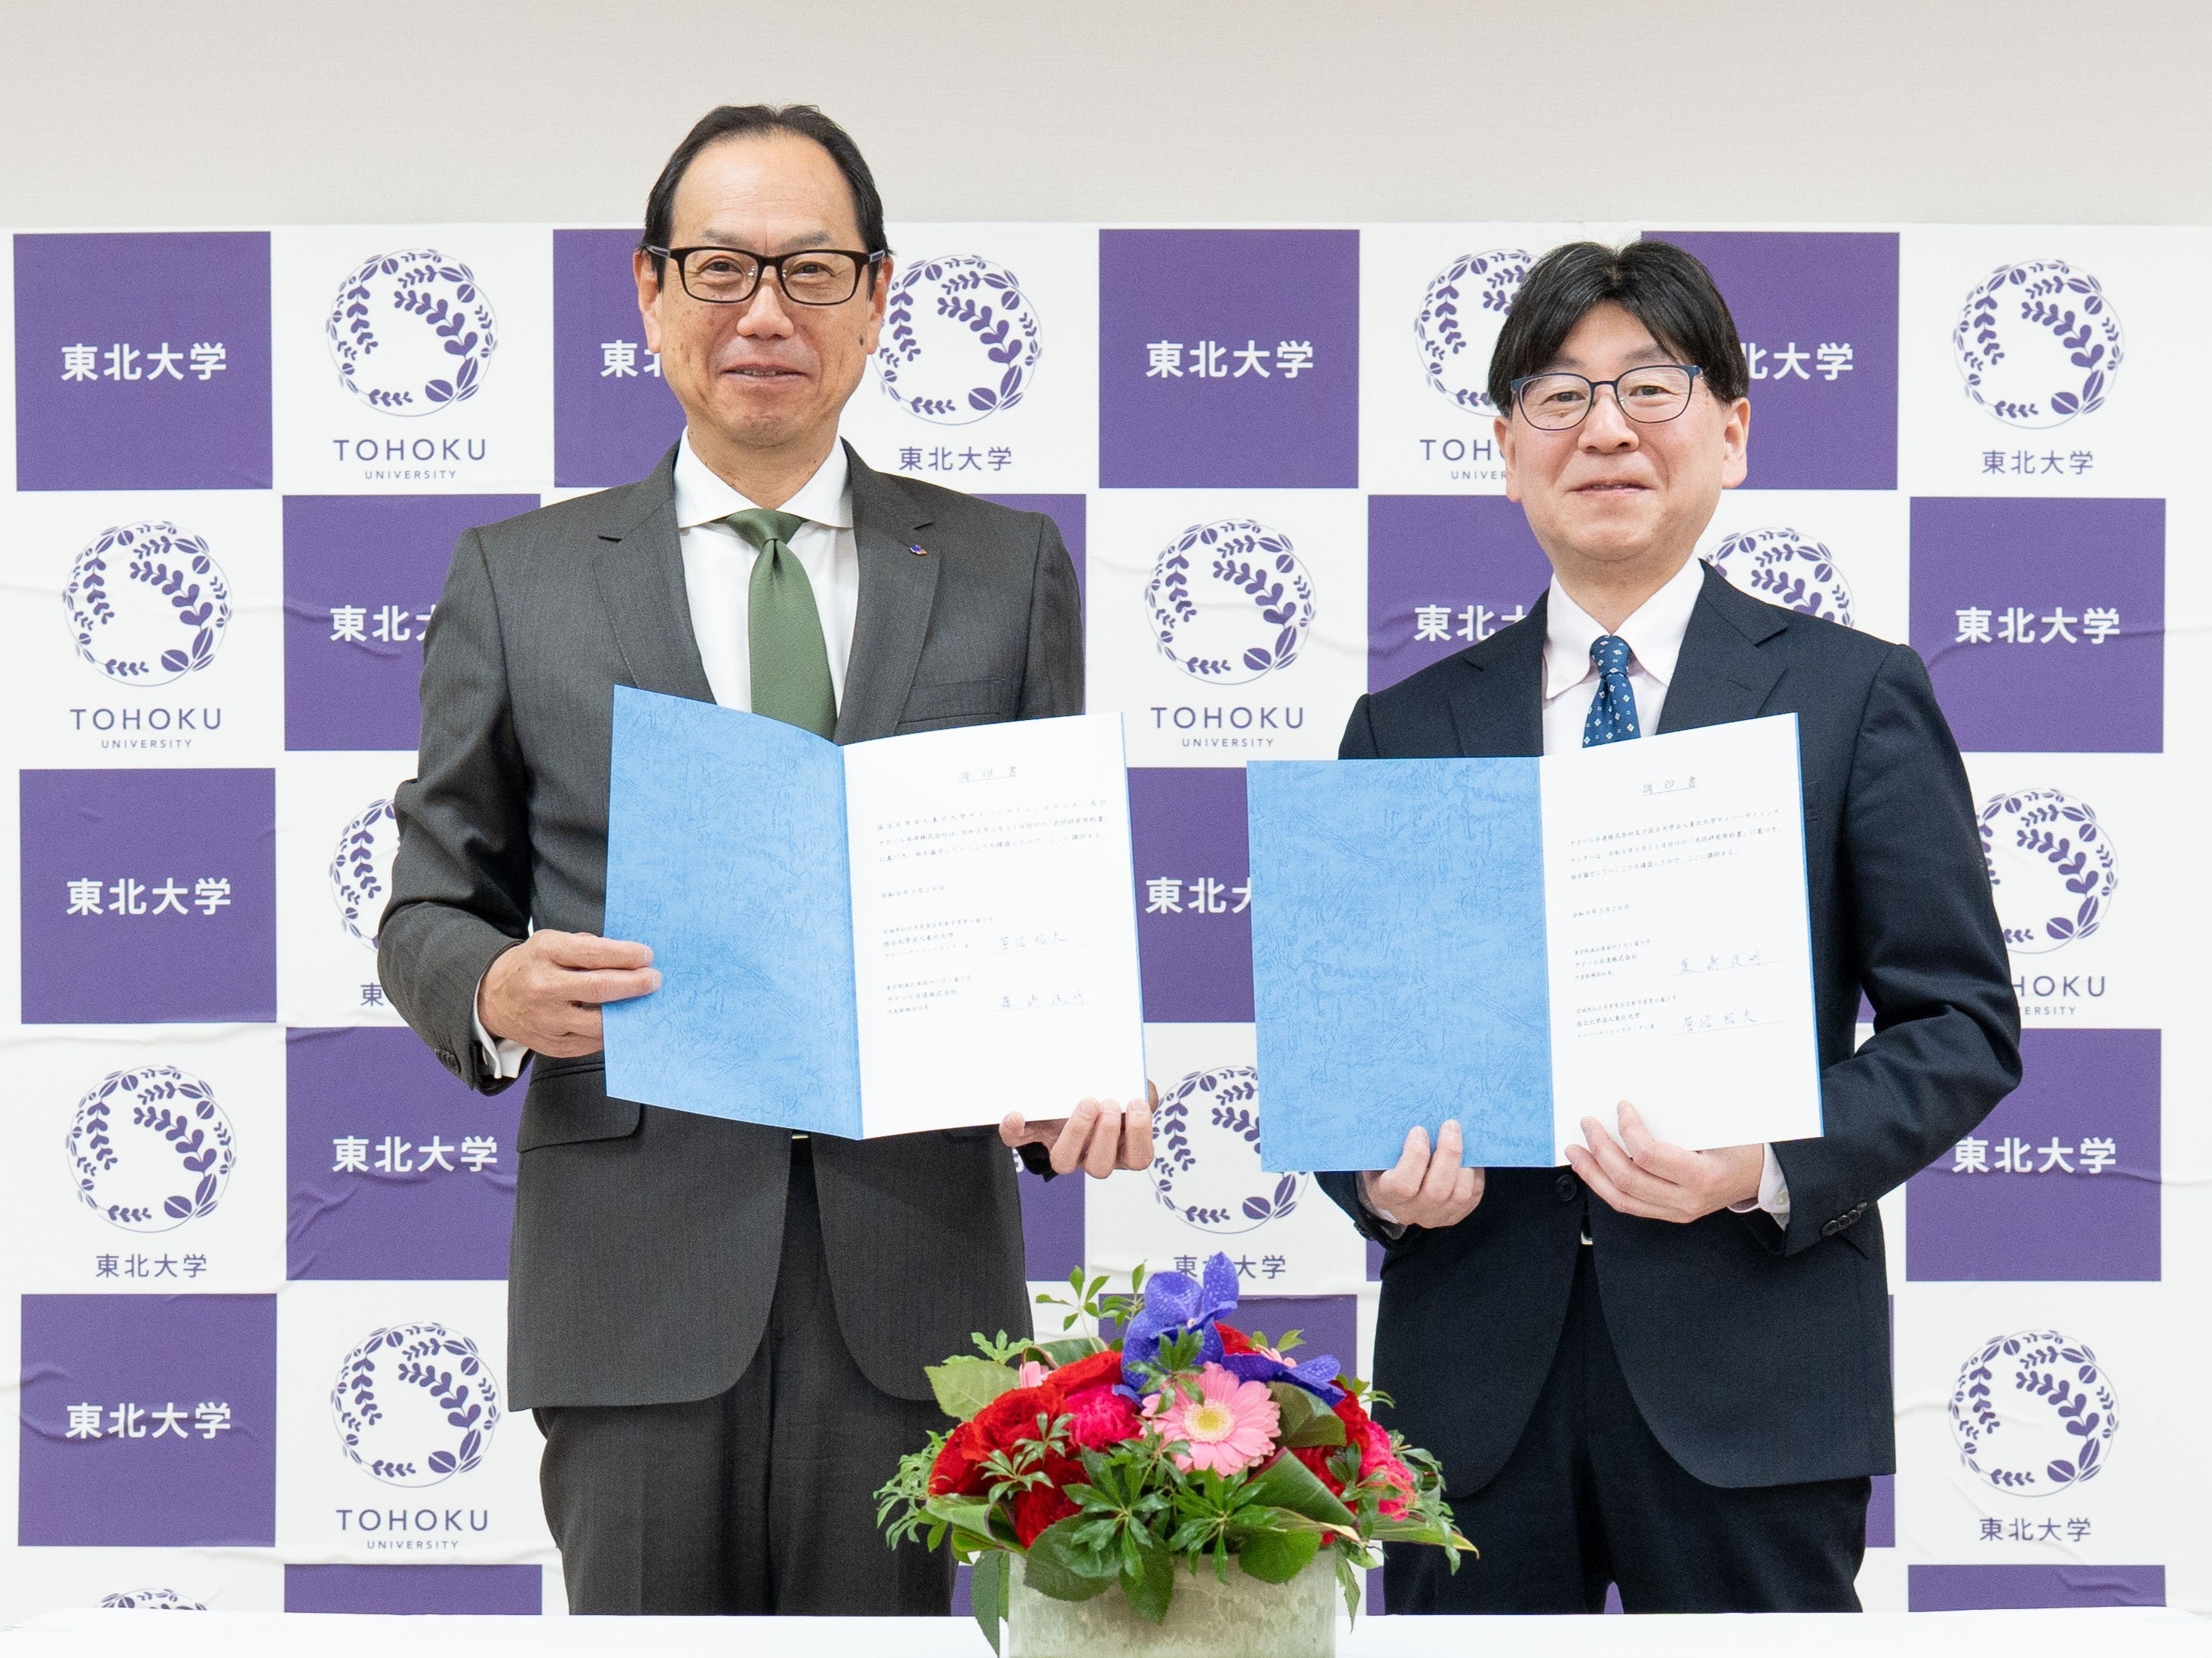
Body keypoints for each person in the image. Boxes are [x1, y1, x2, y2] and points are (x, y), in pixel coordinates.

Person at [378, 103, 1149, 1617]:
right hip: (635, 1278)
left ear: (876, 297)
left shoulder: (1004, 570)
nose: (766, 313)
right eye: (721, 268)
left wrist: (1070, 1071)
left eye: (811, 270)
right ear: (651, 290)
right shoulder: (521, 580)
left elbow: (1040, 896)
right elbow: (428, 904)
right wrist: (496, 986)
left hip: (914, 1273)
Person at [1317, 241, 2019, 1614]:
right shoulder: (1404, 727)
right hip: (1474, 1386)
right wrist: (1378, 1185)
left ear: (1731, 433)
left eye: (1651, 387)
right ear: (1506, 449)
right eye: (1559, 396)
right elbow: (1353, 1049)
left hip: (1750, 1370)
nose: (1606, 431)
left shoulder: (1851, 694)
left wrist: (1762, 1163)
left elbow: (1960, 1025)